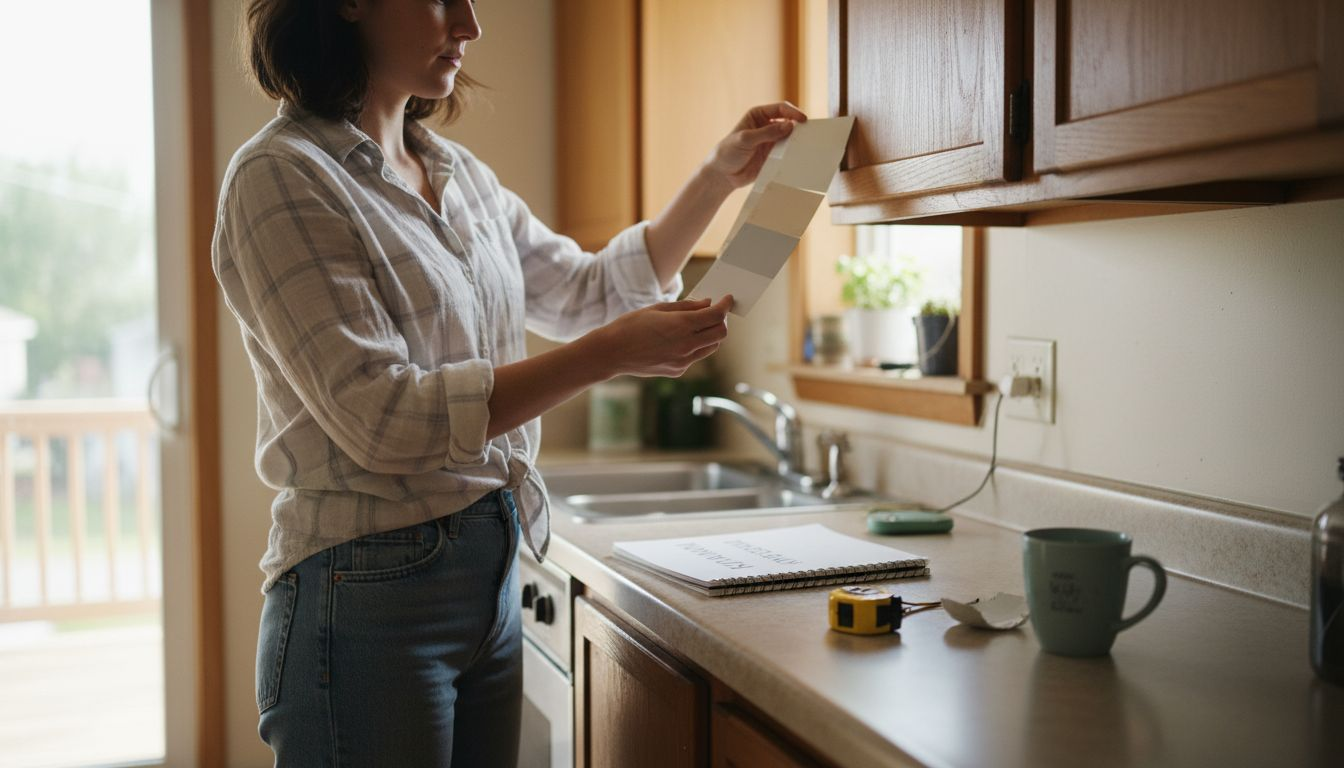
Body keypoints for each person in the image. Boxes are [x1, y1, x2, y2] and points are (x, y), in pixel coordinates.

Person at [214, 0, 806, 765]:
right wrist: (605, 356)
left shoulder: (459, 175)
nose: (470, 25)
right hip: (363, 597)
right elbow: (386, 420)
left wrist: (718, 176)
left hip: (490, 577)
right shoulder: (281, 175)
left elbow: (589, 292)